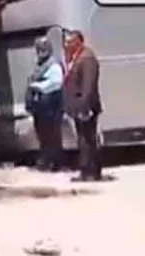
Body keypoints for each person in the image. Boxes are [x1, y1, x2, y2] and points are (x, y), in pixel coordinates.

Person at [60, 29, 103, 182]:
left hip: (87, 107)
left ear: (78, 42)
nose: (66, 45)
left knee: (88, 140)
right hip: (79, 107)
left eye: (69, 42)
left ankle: (90, 171)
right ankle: (87, 170)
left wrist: (85, 107)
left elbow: (88, 85)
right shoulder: (76, 57)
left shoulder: (87, 58)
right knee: (83, 139)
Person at [26, 36, 64, 171]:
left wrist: (39, 86)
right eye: (39, 48)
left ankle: (55, 162)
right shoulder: (39, 65)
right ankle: (45, 161)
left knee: (52, 136)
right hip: (40, 108)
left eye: (43, 48)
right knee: (43, 136)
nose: (41, 51)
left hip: (51, 107)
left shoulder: (54, 65)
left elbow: (57, 83)